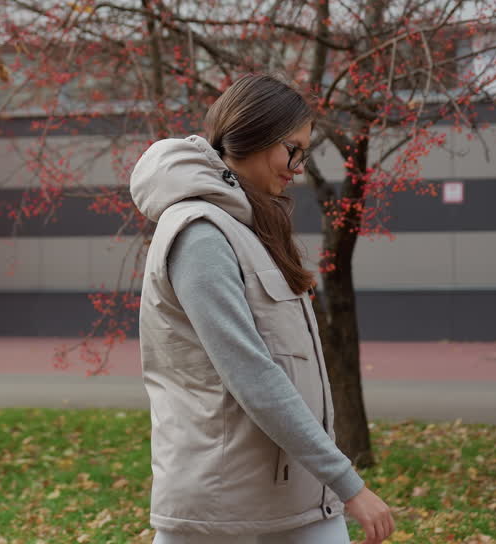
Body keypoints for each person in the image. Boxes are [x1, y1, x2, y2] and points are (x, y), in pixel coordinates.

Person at [129, 73, 395, 544]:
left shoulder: (248, 228)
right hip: (223, 506)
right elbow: (252, 373)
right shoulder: (200, 234)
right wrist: (349, 482)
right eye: (292, 149)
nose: (298, 166)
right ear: (252, 135)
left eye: (304, 152)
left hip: (289, 493)